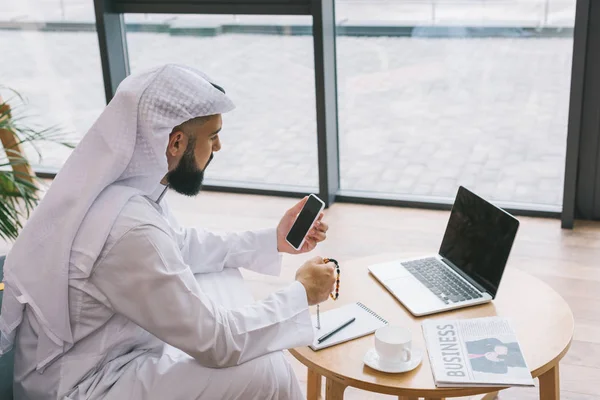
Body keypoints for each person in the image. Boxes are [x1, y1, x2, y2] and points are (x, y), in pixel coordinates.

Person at [0, 64, 337, 399]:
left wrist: (273, 240)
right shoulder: (129, 229)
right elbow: (217, 343)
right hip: (85, 385)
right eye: (213, 135)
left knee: (222, 277)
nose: (218, 148)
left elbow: (180, 244)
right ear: (176, 142)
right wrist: (301, 293)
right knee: (266, 372)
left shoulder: (126, 192)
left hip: (110, 354)